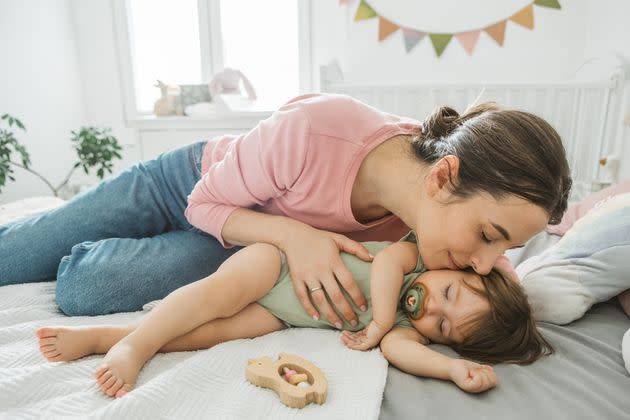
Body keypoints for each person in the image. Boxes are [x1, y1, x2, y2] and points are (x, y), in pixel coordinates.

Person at [1, 93, 572, 330]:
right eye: (489, 237)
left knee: (87, 292)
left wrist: (513, 283)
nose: (481, 263)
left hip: (243, 241)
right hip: (191, 184)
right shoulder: (319, 131)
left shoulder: (436, 225)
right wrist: (298, 237)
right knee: (20, 252)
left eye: (503, 250)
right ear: (445, 178)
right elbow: (205, 201)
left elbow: (502, 282)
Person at [36, 231, 552, 398]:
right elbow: (389, 264)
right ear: (463, 270)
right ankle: (135, 347)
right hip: (275, 265)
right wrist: (375, 322)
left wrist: (451, 369)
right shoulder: (415, 259)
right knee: (211, 297)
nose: (433, 306)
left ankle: (107, 336)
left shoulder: (400, 329)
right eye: (451, 294)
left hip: (284, 313)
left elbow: (400, 349)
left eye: (442, 326)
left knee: (213, 333)